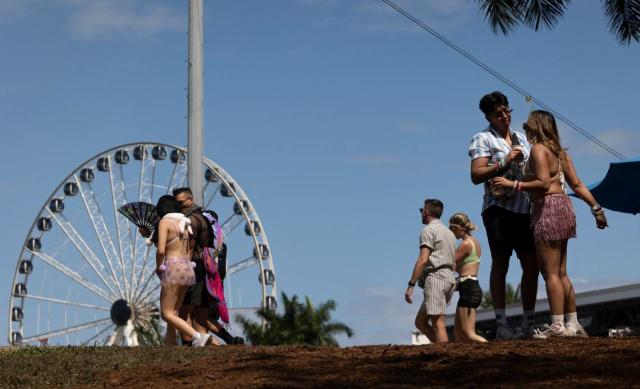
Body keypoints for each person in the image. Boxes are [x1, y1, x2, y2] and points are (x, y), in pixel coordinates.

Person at [492, 110, 608, 338]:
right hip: (565, 207)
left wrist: (512, 184)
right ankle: (572, 323)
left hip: (547, 208)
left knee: (550, 273)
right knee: (562, 272)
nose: (524, 128)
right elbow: (577, 184)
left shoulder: (538, 149)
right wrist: (596, 208)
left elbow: (543, 183)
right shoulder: (560, 153)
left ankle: (557, 325)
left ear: (536, 126)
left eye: (527, 125)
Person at [469, 91, 539, 339]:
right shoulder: (483, 138)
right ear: (489, 116)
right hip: (498, 209)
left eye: (506, 110)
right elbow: (476, 175)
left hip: (525, 207)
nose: (504, 116)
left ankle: (528, 322)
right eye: (498, 114)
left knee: (531, 264)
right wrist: (504, 161)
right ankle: (501, 324)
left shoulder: (521, 137)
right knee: (501, 262)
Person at [153, 195, 211, 347]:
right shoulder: (184, 223)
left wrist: (159, 267)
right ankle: (170, 347)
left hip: (173, 267)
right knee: (174, 313)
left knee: (166, 313)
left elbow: (160, 250)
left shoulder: (165, 222)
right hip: (188, 268)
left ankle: (198, 336)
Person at [405, 199, 457, 343]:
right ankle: (441, 349)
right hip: (449, 279)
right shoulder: (449, 233)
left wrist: (411, 285)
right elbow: (454, 263)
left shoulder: (428, 230)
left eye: (422, 210)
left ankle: (446, 357)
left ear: (427, 212)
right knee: (420, 322)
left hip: (436, 278)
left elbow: (422, 259)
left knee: (438, 323)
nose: (421, 213)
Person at [172, 187, 215, 346]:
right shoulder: (203, 217)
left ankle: (188, 345)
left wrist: (182, 266)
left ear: (190, 200)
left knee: (184, 309)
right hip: (202, 266)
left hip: (193, 265)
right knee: (199, 311)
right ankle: (200, 345)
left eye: (181, 202)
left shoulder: (192, 220)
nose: (178, 206)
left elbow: (188, 247)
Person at [448, 213, 487, 343]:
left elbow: (448, 262)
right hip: (469, 288)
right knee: (458, 334)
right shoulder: (475, 242)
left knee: (469, 334)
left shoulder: (465, 244)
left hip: (469, 288)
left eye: (452, 229)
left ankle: (493, 354)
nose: (452, 233)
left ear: (457, 228)